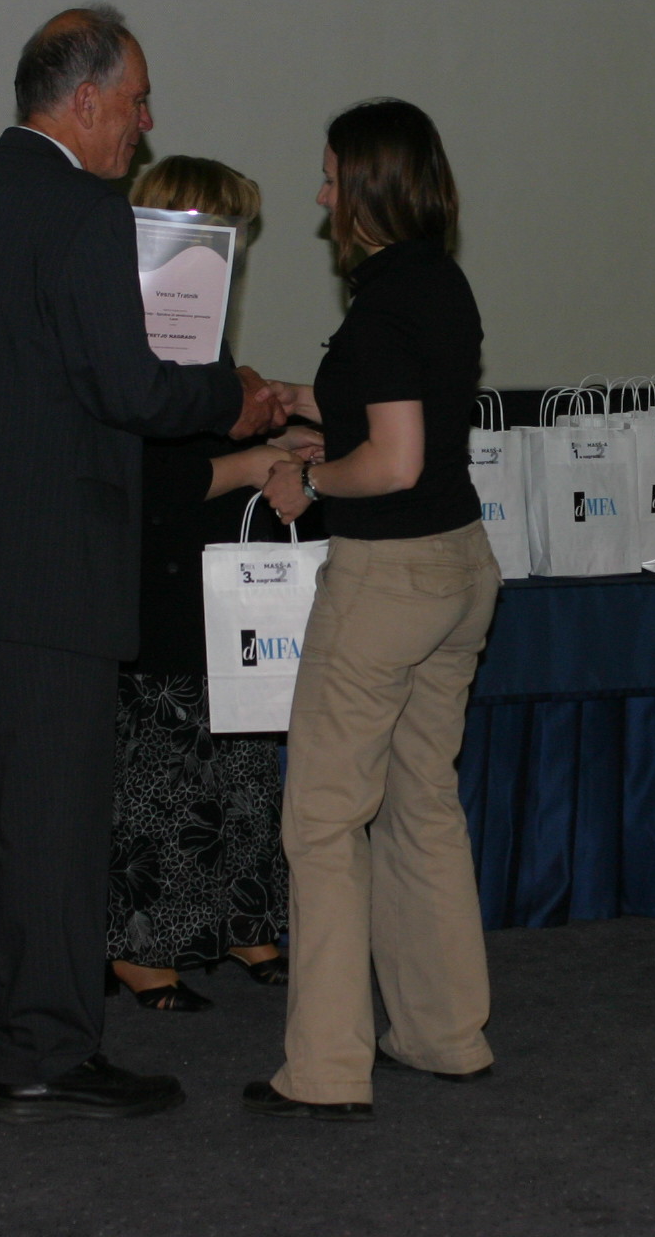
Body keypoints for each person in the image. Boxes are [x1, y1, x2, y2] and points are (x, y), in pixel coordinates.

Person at [0, 5, 290, 1122]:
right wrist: (229, 397)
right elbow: (131, 389)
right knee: (52, 818)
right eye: (136, 101)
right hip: (50, 569)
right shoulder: (88, 214)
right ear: (83, 100)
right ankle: (49, 1046)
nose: (145, 124)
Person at [244, 100, 501, 1121]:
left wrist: (309, 481)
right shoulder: (437, 281)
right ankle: (444, 1034)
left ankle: (324, 1069)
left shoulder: (384, 302)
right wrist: (307, 404)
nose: (319, 196)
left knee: (320, 819)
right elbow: (408, 420)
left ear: (368, 186)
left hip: (389, 579)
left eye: (330, 177)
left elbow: (389, 463)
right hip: (459, 566)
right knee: (421, 802)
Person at [108, 157, 311, 1013]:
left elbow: (202, 434)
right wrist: (255, 462)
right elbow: (150, 483)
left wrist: (269, 428)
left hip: (215, 571)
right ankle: (141, 947)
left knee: (242, 753)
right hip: (156, 576)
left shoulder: (200, 324)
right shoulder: (136, 328)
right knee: (165, 766)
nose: (233, 249)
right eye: (223, 228)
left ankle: (244, 920)